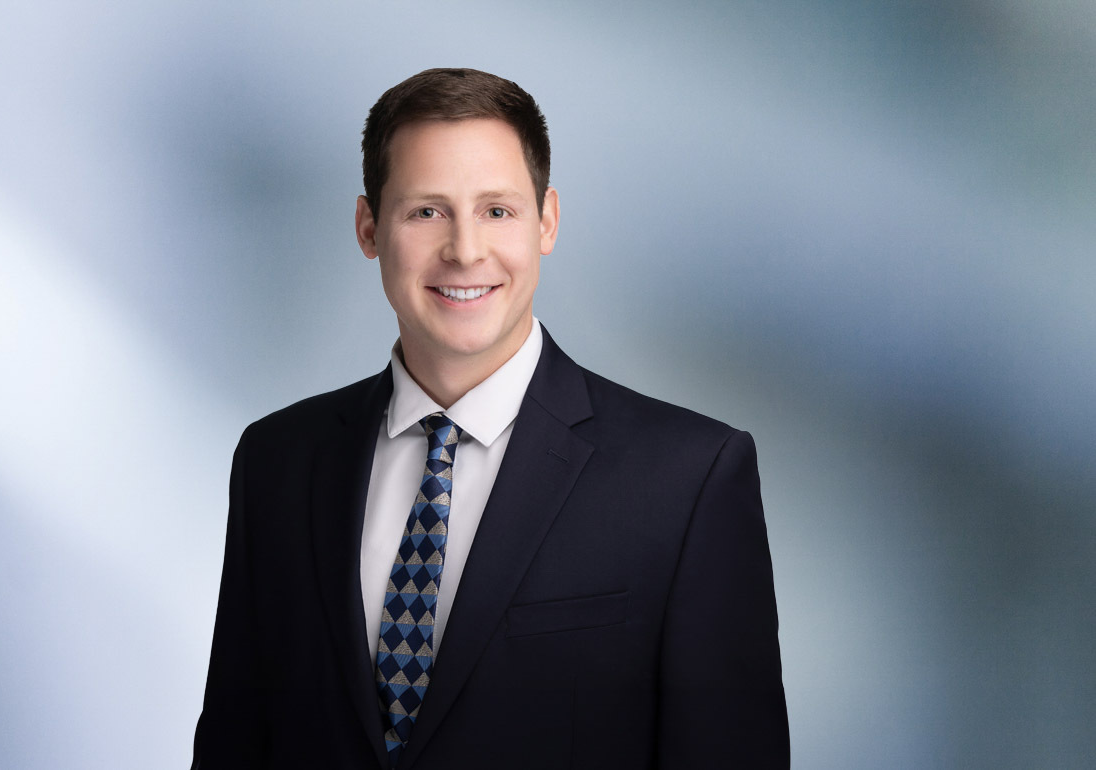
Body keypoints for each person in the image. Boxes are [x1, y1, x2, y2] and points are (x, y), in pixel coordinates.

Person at [192, 67, 788, 769]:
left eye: (497, 211)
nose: (466, 250)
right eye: (426, 212)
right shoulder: (277, 462)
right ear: (367, 227)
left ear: (547, 222)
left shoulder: (686, 479)